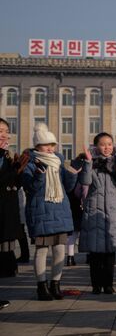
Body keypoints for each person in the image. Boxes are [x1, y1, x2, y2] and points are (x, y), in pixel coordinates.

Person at [21, 123, 77, 300]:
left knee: (60, 250)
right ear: (37, 146)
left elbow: (67, 187)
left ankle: (56, 284)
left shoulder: (58, 161)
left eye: (53, 145)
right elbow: (30, 188)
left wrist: (72, 174)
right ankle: (41, 286)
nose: (51, 148)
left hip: (59, 211)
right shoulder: (29, 163)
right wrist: (38, 174)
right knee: (42, 250)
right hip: (41, 212)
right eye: (47, 145)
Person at [76, 133, 116, 295]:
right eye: (103, 144)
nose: (107, 147)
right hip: (94, 208)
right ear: (96, 147)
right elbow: (85, 181)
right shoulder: (91, 163)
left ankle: (108, 284)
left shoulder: (115, 162)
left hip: (113, 210)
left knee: (110, 252)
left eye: (109, 144)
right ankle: (96, 285)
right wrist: (87, 162)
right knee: (95, 253)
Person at [0, 118, 22, 279]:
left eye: (6, 132)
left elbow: (14, 185)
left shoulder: (6, 156)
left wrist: (19, 173)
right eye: (0, 131)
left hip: (6, 212)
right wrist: (13, 171)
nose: (5, 136)